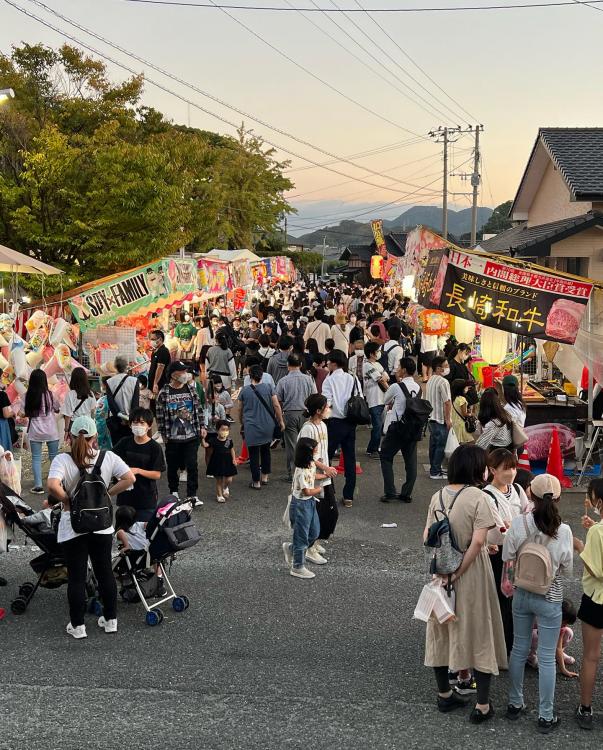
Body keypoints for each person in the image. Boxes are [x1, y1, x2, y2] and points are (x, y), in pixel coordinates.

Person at [423, 443, 507, 722]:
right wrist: (459, 571)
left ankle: (445, 695)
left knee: (441, 629)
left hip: (440, 572)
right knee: (479, 630)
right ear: (476, 467)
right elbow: (480, 540)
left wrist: (446, 570)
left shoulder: (438, 496)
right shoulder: (478, 497)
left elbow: (426, 536)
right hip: (471, 573)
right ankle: (482, 705)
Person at [47, 416, 135, 639]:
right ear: (96, 436)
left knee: (76, 576)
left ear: (70, 436)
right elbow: (129, 478)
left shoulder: (62, 460)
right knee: (104, 571)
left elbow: (51, 485)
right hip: (102, 525)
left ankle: (78, 626)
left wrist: (67, 500)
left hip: (73, 524)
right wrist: (108, 493)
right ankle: (111, 620)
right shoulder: (108, 457)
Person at [502, 473, 573, 734]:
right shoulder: (563, 530)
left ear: (530, 494)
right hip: (550, 598)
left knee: (519, 648)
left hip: (521, 593)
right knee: (545, 657)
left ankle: (514, 703)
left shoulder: (519, 523)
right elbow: (567, 570)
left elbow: (508, 555)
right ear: (557, 498)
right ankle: (545, 715)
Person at [482, 448, 531, 655]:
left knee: (517, 599)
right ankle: (503, 646)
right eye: (505, 469)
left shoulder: (518, 489)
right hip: (499, 555)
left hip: (519, 553)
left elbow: (529, 518)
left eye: (513, 467)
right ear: (492, 470)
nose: (511, 472)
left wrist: (514, 526)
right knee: (501, 599)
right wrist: (516, 527)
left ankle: (515, 644)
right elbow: (497, 532)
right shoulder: (486, 495)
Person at [573, 478, 603, 729]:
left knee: (591, 656)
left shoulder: (596, 533)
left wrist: (580, 546)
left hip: (596, 599)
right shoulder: (597, 529)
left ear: (599, 502)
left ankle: (585, 708)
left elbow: (596, 569)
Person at [156, 361, 206, 507]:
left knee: (192, 465)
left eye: (186, 371)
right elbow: (159, 415)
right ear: (173, 374)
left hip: (191, 436)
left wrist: (202, 426)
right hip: (173, 437)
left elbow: (198, 409)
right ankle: (174, 491)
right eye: (182, 371)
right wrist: (163, 433)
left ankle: (192, 495)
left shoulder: (191, 389)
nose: (186, 374)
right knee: (172, 465)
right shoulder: (164, 392)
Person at [282, 437, 327, 579]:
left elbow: (312, 475)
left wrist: (325, 475)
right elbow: (306, 491)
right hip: (301, 504)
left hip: (309, 503)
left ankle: (291, 548)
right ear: (307, 453)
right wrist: (319, 489)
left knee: (314, 532)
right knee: (301, 536)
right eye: (314, 450)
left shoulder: (310, 464)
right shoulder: (300, 471)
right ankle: (297, 567)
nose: (316, 453)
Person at [322, 350, 362, 508]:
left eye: (329, 361)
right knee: (350, 458)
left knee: (327, 457)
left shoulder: (329, 380)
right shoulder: (352, 378)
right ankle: (348, 496)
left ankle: (329, 492)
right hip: (350, 421)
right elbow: (360, 396)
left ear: (333, 363)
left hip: (334, 423)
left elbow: (327, 403)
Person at [298, 394, 339, 547]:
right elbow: (306, 456)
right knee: (316, 514)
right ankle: (309, 546)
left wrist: (327, 469)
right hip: (313, 478)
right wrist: (325, 468)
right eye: (326, 407)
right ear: (317, 410)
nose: (328, 410)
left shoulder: (323, 425)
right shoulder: (307, 429)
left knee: (329, 513)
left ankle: (314, 542)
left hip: (325, 476)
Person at [113, 407, 166, 522]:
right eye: (135, 422)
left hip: (145, 497)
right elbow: (111, 459)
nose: (138, 425)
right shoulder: (124, 442)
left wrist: (138, 470)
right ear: (130, 425)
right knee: (123, 531)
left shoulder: (155, 447)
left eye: (142, 423)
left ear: (149, 426)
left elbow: (157, 474)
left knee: (143, 534)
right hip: (125, 495)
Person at [379, 357, 420, 503]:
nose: (397, 369)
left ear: (403, 370)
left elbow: (385, 400)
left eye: (399, 367)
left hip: (397, 428)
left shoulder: (397, 387)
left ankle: (390, 491)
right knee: (411, 463)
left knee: (386, 456)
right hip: (413, 429)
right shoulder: (418, 387)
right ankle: (406, 493)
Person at [238, 364, 285, 490]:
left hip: (251, 425)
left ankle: (256, 481)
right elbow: (276, 405)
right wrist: (280, 421)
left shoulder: (245, 390)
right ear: (262, 375)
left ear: (250, 376)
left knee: (253, 454)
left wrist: (241, 421)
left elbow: (240, 409)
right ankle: (264, 477)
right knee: (265, 451)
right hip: (267, 425)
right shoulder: (269, 387)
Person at [276, 354, 317, 482]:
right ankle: (308, 470)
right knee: (307, 443)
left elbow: (278, 400)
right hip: (306, 413)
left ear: (288, 366)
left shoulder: (283, 381)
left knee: (292, 445)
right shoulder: (308, 379)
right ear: (300, 365)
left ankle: (294, 474)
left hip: (289, 414)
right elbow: (314, 395)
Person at [24, 369, 60, 495]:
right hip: (51, 430)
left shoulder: (27, 395)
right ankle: (56, 484)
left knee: (36, 458)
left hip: (35, 430)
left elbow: (24, 412)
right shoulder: (50, 394)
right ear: (44, 380)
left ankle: (38, 486)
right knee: (54, 458)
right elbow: (57, 408)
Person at [526, 598, 578, 677]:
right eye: (564, 622)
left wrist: (563, 669)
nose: (564, 625)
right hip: (531, 638)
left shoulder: (561, 626)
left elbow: (558, 647)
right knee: (536, 636)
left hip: (546, 642)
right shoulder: (542, 618)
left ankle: (555, 655)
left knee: (568, 632)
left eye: (566, 623)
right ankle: (531, 656)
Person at [425, 357, 452, 480]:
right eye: (445, 365)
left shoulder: (430, 380)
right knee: (440, 445)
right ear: (438, 368)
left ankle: (434, 468)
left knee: (434, 445)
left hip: (431, 418)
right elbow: (447, 402)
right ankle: (435, 471)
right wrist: (448, 419)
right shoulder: (443, 382)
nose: (447, 367)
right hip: (440, 419)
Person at [362, 342, 389, 457]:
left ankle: (372, 448)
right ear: (371, 353)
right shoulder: (367, 365)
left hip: (382, 399)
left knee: (379, 426)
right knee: (377, 426)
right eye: (377, 351)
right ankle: (373, 450)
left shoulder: (377, 364)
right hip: (374, 399)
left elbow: (385, 377)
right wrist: (390, 391)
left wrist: (383, 378)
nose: (379, 353)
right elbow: (381, 379)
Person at [106, 356, 139, 446]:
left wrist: (120, 417)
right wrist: (129, 418)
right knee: (130, 446)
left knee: (117, 447)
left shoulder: (109, 382)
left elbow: (111, 403)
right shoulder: (134, 381)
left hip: (115, 420)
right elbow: (135, 403)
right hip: (130, 420)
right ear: (126, 366)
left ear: (115, 366)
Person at [204, 419, 237, 503]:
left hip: (228, 462)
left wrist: (234, 459)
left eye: (227, 430)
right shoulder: (213, 440)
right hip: (217, 462)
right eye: (223, 429)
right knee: (219, 480)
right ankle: (219, 495)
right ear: (217, 430)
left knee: (229, 479)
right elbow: (205, 445)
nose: (225, 432)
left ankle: (225, 487)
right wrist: (202, 438)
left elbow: (232, 450)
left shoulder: (229, 440)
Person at [61, 367, 97, 442]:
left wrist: (66, 430)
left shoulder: (70, 394)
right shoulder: (90, 394)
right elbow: (93, 411)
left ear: (73, 379)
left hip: (75, 424)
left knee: (75, 447)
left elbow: (67, 415)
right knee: (88, 446)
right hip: (88, 424)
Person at [475, 388, 513, 452]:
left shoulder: (493, 423)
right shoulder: (504, 413)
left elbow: (481, 444)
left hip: (499, 452)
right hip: (507, 448)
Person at [148, 330, 171, 408]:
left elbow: (160, 368)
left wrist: (155, 383)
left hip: (160, 383)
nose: (151, 341)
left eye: (153, 339)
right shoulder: (155, 351)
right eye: (151, 339)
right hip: (153, 382)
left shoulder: (163, 351)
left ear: (160, 339)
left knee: (158, 405)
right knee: (153, 404)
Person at [450, 379, 474, 445]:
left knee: (458, 443)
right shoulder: (462, 399)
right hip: (461, 424)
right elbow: (464, 414)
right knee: (471, 442)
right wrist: (471, 414)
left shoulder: (453, 398)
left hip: (454, 423)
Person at [0, 372, 13, 452]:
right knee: (2, 452)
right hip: (1, 426)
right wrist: (14, 412)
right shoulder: (2, 395)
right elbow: (6, 414)